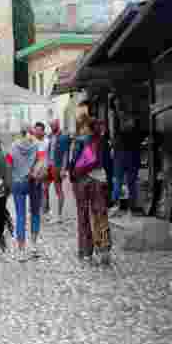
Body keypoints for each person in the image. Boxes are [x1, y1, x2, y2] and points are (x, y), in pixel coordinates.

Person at [65, 110, 113, 264]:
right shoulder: (104, 142)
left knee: (83, 215)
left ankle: (86, 252)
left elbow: (72, 163)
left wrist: (73, 177)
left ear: (87, 127)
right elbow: (109, 166)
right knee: (101, 216)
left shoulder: (79, 141)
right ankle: (104, 250)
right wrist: (109, 185)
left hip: (82, 182)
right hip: (99, 181)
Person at [10, 126, 46, 255]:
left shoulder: (13, 146)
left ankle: (21, 250)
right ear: (31, 133)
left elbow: (8, 163)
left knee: (20, 216)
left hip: (17, 183)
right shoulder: (37, 145)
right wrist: (34, 172)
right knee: (35, 213)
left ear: (20, 133)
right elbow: (42, 161)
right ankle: (34, 245)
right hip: (33, 182)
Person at [111, 116, 144, 216]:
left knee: (119, 182)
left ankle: (114, 205)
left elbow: (114, 149)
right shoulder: (136, 134)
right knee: (131, 184)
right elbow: (138, 146)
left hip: (120, 161)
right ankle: (132, 207)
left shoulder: (118, 135)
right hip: (131, 161)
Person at [44, 118, 72, 221]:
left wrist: (64, 169)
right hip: (49, 165)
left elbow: (65, 154)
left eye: (54, 125)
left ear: (58, 125)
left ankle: (59, 215)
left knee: (58, 190)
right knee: (45, 188)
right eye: (51, 125)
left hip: (58, 166)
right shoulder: (50, 136)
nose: (52, 127)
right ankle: (47, 211)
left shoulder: (63, 137)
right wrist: (46, 164)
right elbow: (47, 151)